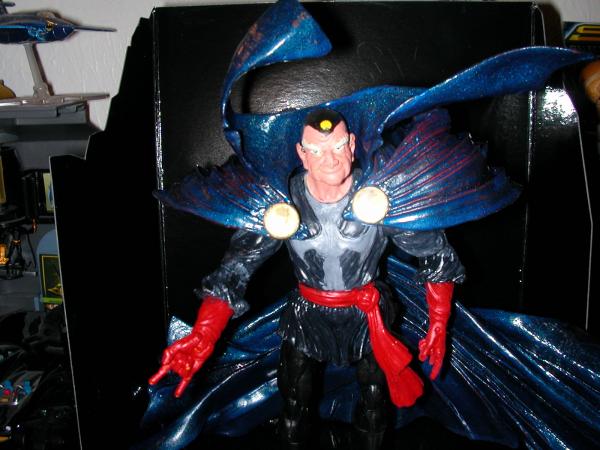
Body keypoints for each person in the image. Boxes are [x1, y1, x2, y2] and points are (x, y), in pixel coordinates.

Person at [149, 109, 466, 448]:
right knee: (294, 405)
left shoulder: (379, 197)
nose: (330, 159)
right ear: (301, 153)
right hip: (307, 316)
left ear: (352, 145)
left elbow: (435, 254)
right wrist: (205, 332)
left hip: (366, 315)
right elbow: (236, 268)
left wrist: (439, 320)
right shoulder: (283, 202)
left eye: (338, 146)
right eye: (317, 150)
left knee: (376, 406)